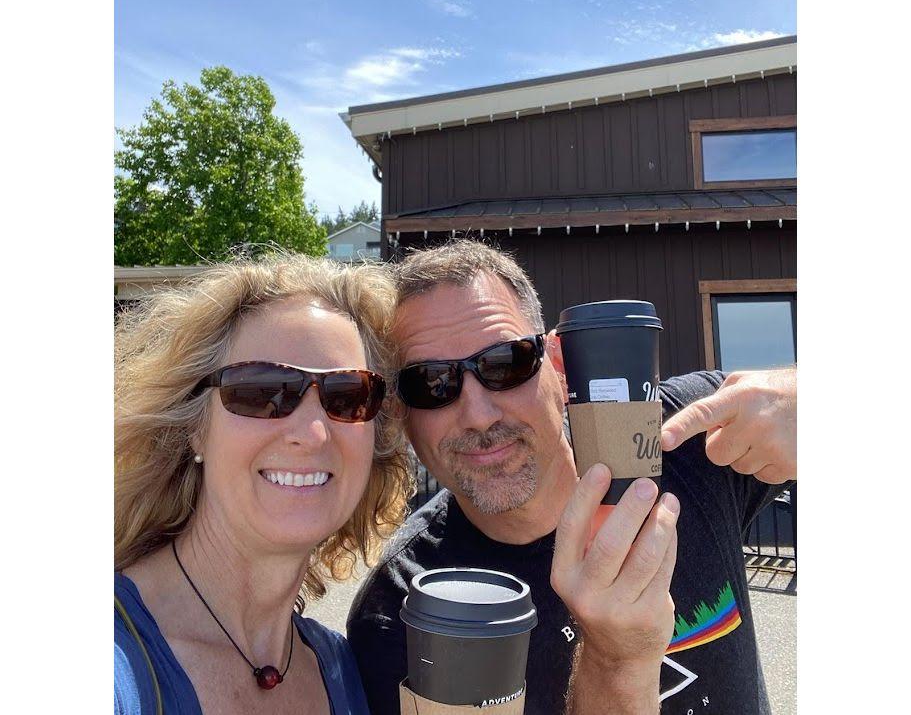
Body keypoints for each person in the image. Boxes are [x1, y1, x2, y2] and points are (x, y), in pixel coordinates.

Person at [346, 240, 796, 715]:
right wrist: (616, 658)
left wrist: (794, 396)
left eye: (505, 363)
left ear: (559, 366)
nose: (478, 415)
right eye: (430, 384)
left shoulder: (681, 434)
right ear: (401, 414)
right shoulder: (402, 612)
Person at [115, 254, 412, 714]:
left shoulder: (340, 669)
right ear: (195, 427)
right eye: (262, 390)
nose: (312, 433)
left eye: (348, 395)